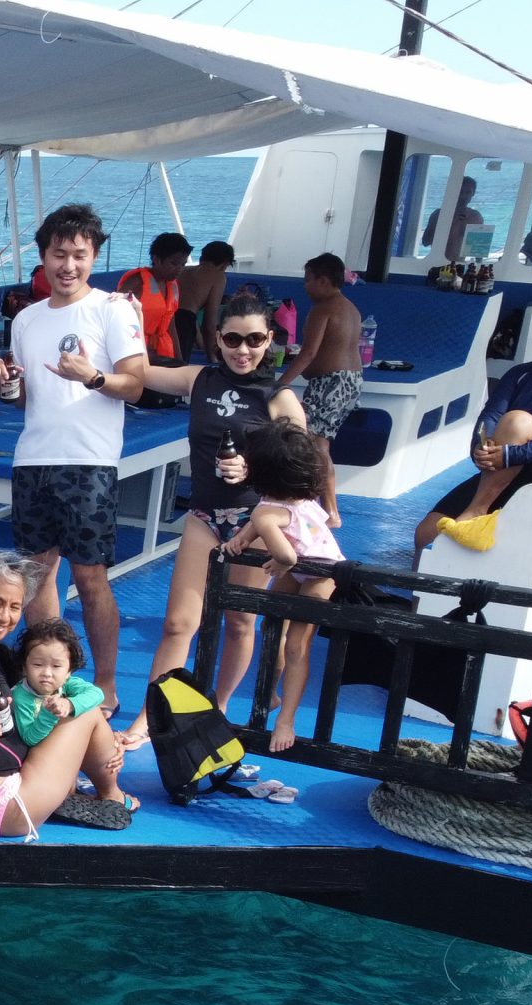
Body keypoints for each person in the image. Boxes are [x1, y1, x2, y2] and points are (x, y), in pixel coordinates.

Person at [114, 294, 306, 749]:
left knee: (240, 623)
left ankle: (216, 709)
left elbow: (301, 474)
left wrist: (252, 472)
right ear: (217, 340)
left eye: (255, 339)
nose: (244, 349)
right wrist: (138, 319)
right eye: (233, 339)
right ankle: (149, 719)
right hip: (203, 516)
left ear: (270, 341)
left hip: (253, 523)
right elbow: (142, 372)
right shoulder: (200, 378)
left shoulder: (279, 400)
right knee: (179, 625)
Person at [0, 203, 146, 710]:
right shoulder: (26, 320)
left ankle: (108, 684)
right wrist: (4, 387)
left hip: (89, 463)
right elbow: (28, 397)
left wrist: (92, 377)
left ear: (94, 256)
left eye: (79, 254)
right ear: (42, 257)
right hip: (32, 460)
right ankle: (46, 680)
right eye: (59, 254)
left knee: (90, 575)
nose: (68, 265)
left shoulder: (112, 308)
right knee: (36, 575)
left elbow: (136, 384)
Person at [0, 550, 134, 838]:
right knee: (86, 713)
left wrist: (108, 740)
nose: (5, 616)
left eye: (15, 607)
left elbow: (50, 687)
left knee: (65, 704)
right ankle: (112, 794)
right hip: (2, 808)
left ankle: (76, 780)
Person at [415, 287, 532, 552]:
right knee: (425, 535)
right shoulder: (522, 373)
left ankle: (477, 509)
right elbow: (490, 415)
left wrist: (512, 454)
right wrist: (479, 447)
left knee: (517, 422)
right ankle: (418, 594)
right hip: (506, 466)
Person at [224, 421, 344, 753]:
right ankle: (272, 693)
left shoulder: (267, 512)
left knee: (296, 646)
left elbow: (286, 552)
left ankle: (286, 719)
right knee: (272, 626)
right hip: (310, 564)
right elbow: (260, 522)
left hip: (321, 574)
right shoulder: (291, 501)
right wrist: (243, 540)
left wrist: (280, 563)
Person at [268, 253, 359, 523]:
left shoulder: (323, 309)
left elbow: (307, 354)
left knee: (318, 445)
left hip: (331, 383)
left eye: (308, 280)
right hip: (349, 382)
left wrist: (278, 385)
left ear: (322, 280)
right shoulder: (349, 307)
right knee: (318, 443)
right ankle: (322, 505)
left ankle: (330, 511)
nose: (305, 286)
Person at [9, 618, 108, 748]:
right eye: (38, 664)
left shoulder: (66, 684)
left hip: (60, 742)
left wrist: (69, 704)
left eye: (56, 666)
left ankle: (113, 750)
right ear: (24, 668)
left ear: (69, 671)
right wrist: (48, 714)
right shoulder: (20, 696)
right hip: (39, 753)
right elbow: (29, 739)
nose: (47, 673)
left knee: (90, 708)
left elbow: (97, 694)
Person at [115, 231, 192, 366]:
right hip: (136, 351)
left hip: (163, 352)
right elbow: (114, 317)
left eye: (183, 265)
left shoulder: (172, 285)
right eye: (174, 263)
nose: (179, 269)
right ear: (156, 260)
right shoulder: (136, 282)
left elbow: (170, 324)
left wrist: (180, 360)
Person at [182, 240, 235, 364]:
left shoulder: (183, 270)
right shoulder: (218, 276)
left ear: (202, 257)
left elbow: (186, 311)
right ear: (225, 264)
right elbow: (209, 323)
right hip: (183, 323)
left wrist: (201, 345)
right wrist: (212, 357)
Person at [423, 176, 486, 261]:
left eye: (468, 192)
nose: (463, 196)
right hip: (437, 264)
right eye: (461, 192)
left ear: (473, 194)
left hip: (459, 266)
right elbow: (425, 242)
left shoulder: (476, 217)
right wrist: (450, 222)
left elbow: (478, 252)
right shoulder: (439, 214)